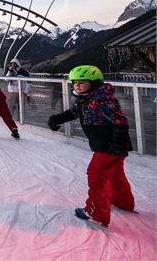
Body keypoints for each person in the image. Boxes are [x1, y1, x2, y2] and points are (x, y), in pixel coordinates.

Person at [48, 65, 134, 228]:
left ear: (94, 83)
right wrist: (56, 119)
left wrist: (116, 145)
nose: (77, 86)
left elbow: (120, 121)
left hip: (109, 146)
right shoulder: (85, 99)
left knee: (96, 175)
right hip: (108, 146)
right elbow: (73, 112)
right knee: (115, 175)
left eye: (82, 82)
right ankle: (124, 203)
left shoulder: (101, 100)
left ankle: (97, 213)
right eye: (75, 83)